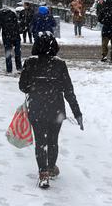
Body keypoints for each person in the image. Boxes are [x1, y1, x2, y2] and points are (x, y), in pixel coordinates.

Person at [18, 34, 83, 188]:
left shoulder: (30, 62)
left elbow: (22, 86)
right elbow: (69, 91)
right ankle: (51, 168)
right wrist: (77, 113)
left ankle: (43, 173)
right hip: (56, 109)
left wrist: (34, 88)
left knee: (40, 141)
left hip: (36, 107)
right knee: (52, 140)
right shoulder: (60, 64)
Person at [0, 5, 23, 73]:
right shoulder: (12, 14)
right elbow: (17, 24)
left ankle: (9, 69)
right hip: (16, 35)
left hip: (6, 36)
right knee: (17, 52)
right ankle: (19, 67)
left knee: (8, 53)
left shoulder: (0, 15)